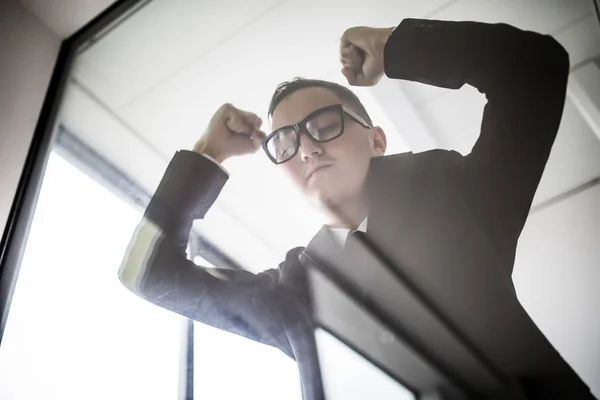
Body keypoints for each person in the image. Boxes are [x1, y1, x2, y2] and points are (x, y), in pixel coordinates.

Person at [119, 18, 583, 399]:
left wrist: (395, 46)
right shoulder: (293, 292)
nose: (306, 149)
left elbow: (533, 67)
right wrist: (207, 153)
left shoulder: (454, 193)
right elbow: (148, 275)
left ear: (376, 139)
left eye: (324, 124)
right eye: (285, 141)